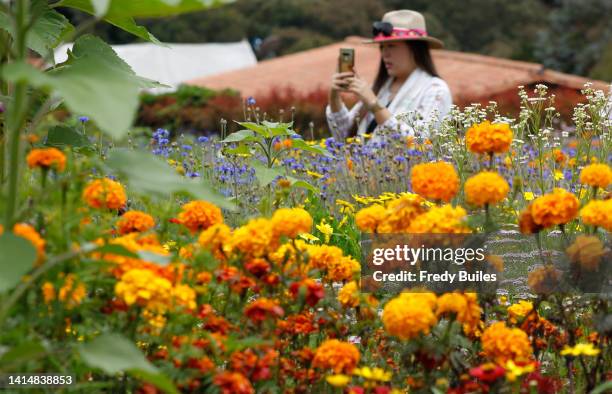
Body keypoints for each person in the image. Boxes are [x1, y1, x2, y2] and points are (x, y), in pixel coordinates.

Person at [326, 10, 452, 141]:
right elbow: (344, 136)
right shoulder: (381, 87)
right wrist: (334, 96)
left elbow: (418, 143)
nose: (385, 54)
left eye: (391, 46)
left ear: (415, 48)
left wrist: (373, 104)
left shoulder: (435, 90)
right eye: (382, 47)